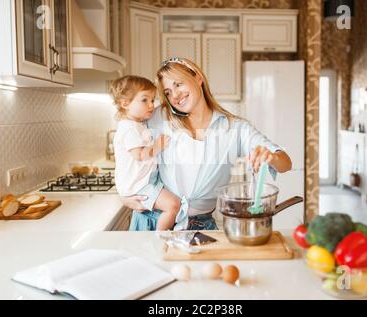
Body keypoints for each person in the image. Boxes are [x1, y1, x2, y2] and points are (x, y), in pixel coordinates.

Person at [121, 58, 292, 231]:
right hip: (151, 221)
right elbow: (125, 144)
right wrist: (124, 194)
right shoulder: (157, 117)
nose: (175, 96)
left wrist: (270, 156)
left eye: (179, 84)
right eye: (168, 92)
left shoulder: (235, 128)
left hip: (201, 228)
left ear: (198, 78)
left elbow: (285, 163)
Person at [109, 75, 183, 230]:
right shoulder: (129, 128)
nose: (151, 105)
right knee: (173, 206)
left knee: (173, 204)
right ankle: (160, 236)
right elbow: (140, 155)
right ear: (125, 103)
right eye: (144, 100)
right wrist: (158, 146)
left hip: (144, 182)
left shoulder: (137, 124)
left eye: (152, 99)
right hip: (139, 186)